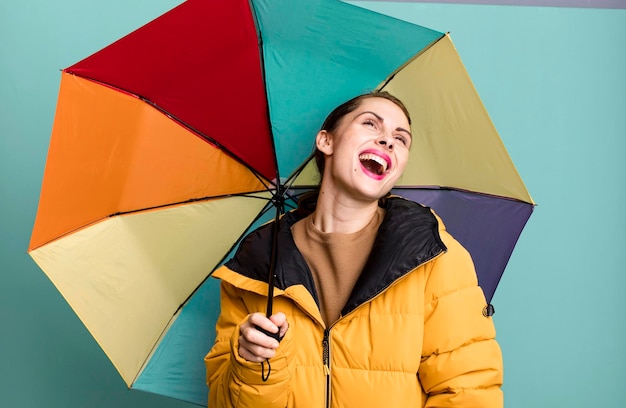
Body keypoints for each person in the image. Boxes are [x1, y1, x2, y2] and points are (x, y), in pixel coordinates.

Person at [204, 91, 503, 407]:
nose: (388, 141)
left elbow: (469, 393)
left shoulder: (434, 258)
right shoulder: (255, 266)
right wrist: (251, 363)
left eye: (401, 139)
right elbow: (225, 403)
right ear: (326, 142)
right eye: (371, 124)